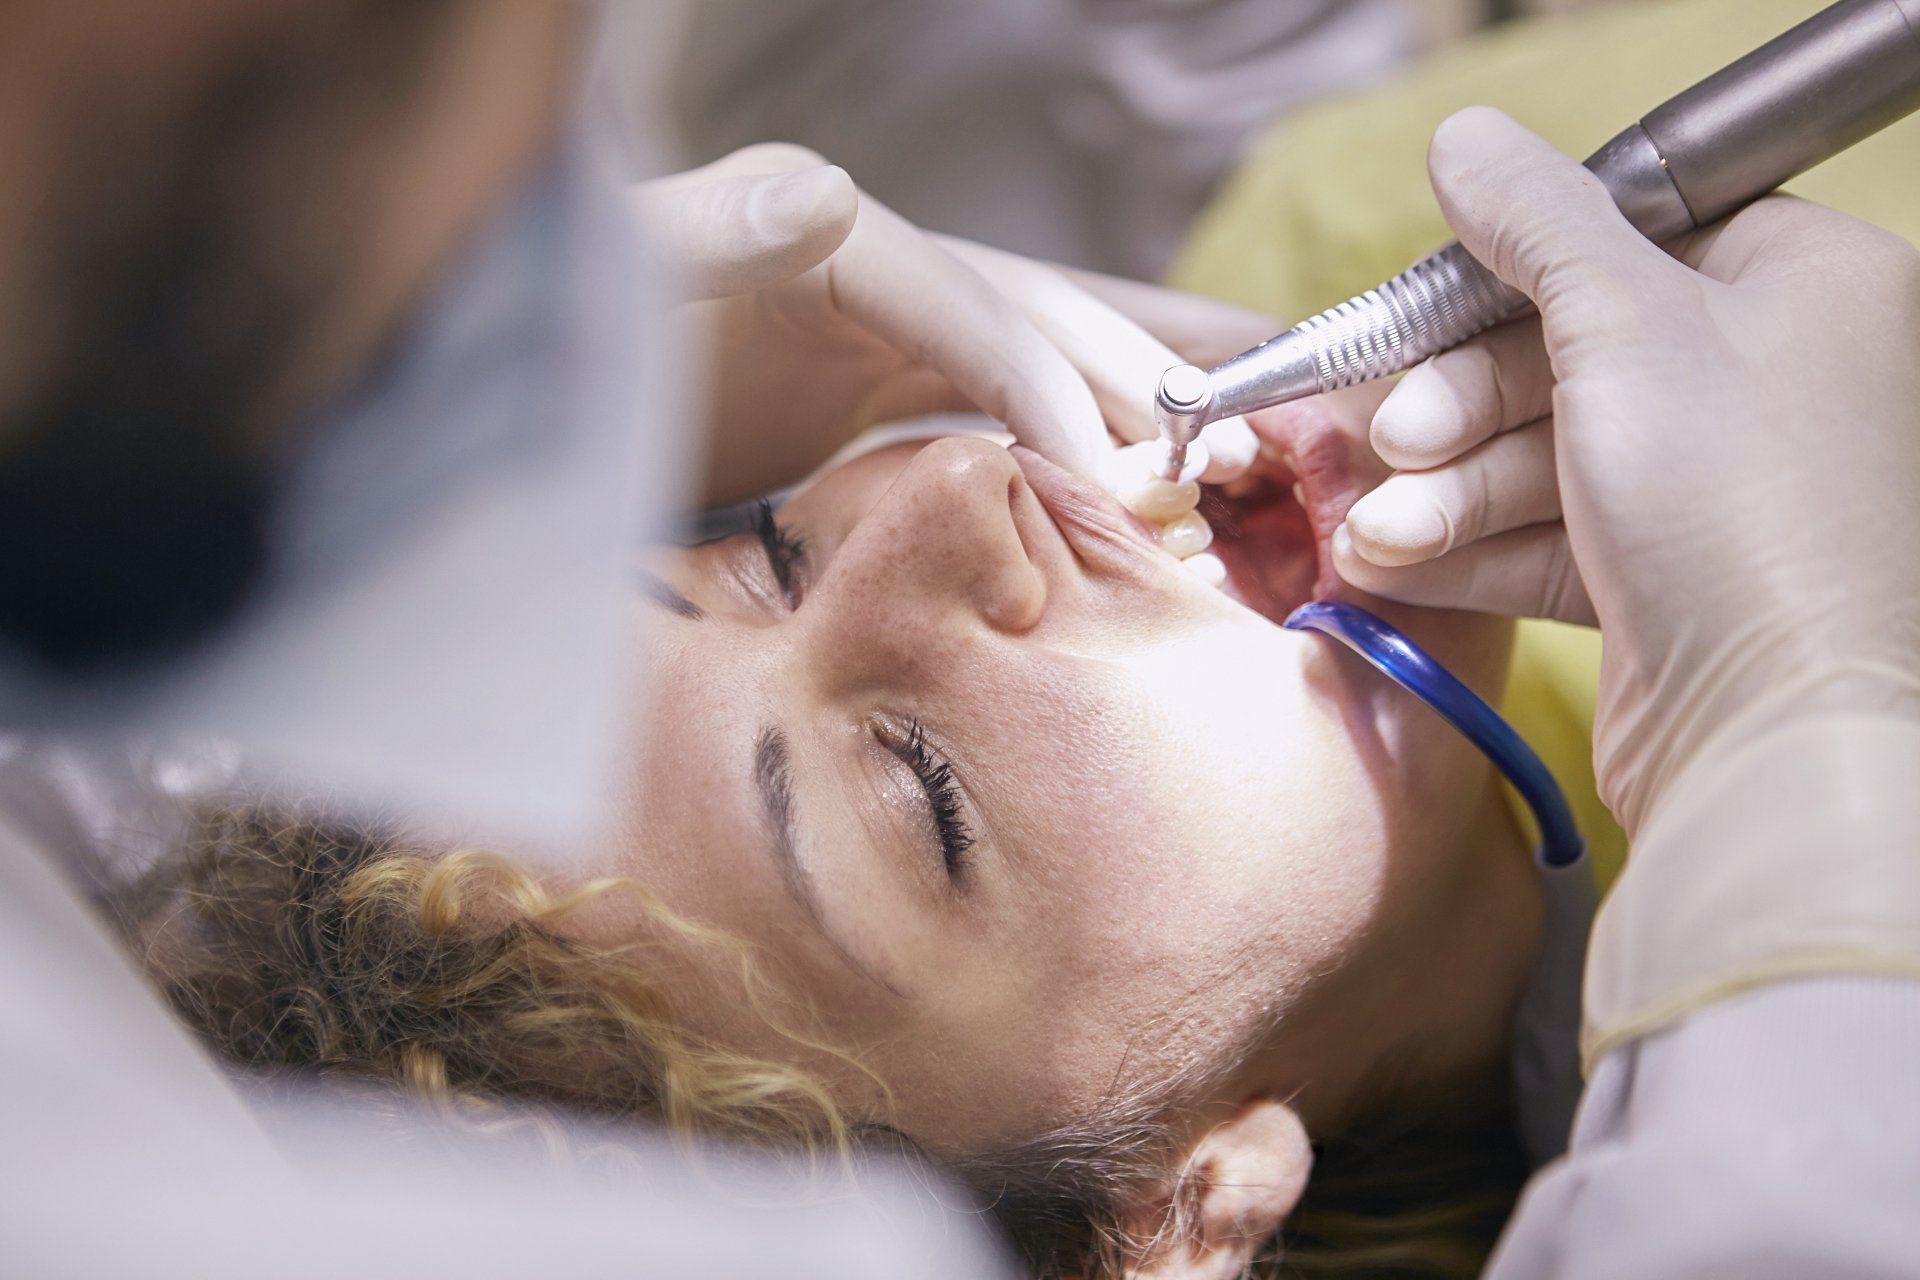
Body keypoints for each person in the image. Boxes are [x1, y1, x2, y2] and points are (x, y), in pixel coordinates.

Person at [114, 106, 1920, 1280]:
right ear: (1170, 1216)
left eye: (764, 548)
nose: (951, 495)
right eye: (924, 791)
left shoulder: (1345, 216)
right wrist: (1825, 732)